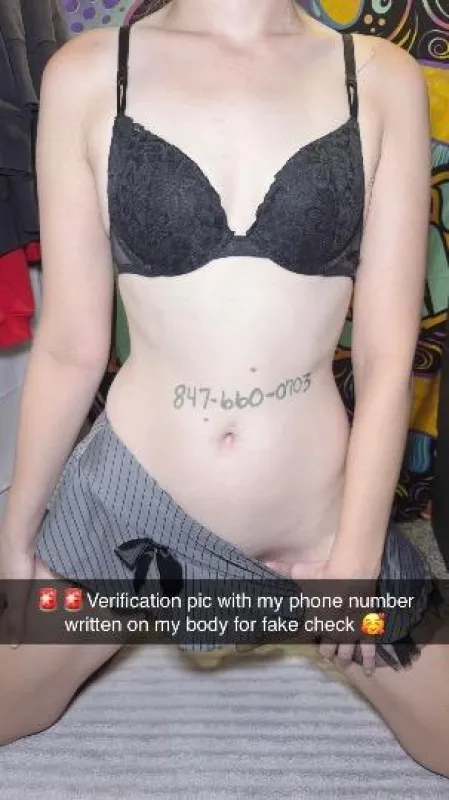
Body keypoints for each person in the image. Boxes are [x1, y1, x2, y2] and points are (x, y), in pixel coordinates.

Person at [0, 0, 448, 776]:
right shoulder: (89, 71)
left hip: (317, 525)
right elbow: (71, 346)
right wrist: (15, 535)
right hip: (124, 519)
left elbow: (385, 355)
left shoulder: (379, 76)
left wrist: (353, 556)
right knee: (15, 703)